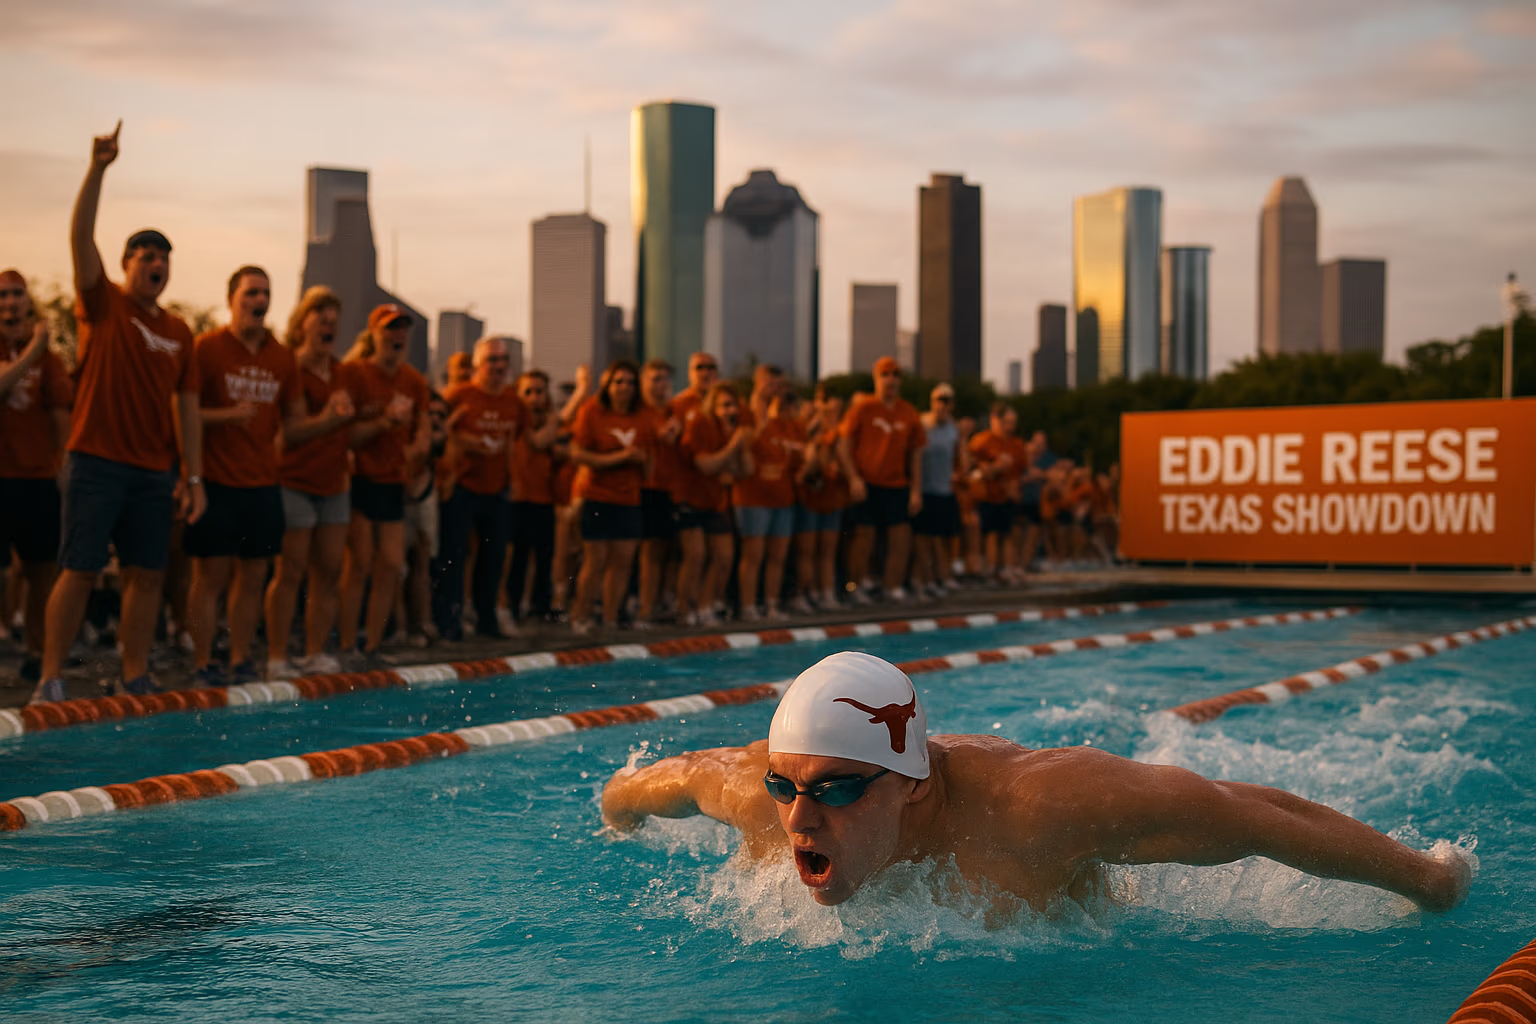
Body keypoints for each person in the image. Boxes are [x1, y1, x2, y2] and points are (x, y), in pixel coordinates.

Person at [602, 652, 1473, 915]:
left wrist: (1428, 880)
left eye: (834, 790)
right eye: (787, 787)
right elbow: (647, 787)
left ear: (910, 784)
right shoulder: (755, 795)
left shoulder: (1039, 809)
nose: (799, 814)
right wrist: (615, 812)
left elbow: (1250, 814)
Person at [34, 122, 206, 703]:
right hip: (96, 460)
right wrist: (99, 169)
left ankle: (135, 674)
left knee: (147, 574)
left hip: (153, 471)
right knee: (79, 568)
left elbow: (187, 407)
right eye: (145, 255)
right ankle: (50, 676)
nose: (155, 264)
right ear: (128, 263)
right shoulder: (102, 304)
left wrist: (192, 475)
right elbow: (81, 238)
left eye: (163, 258)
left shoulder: (179, 330)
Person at [182, 267, 307, 686]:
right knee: (210, 576)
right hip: (216, 479)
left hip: (262, 481)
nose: (260, 300)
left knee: (254, 576)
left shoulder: (281, 356)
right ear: (231, 297)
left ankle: (240, 657)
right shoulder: (207, 348)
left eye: (266, 293)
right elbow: (184, 414)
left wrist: (338, 421)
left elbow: (294, 422)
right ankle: (202, 662)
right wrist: (227, 416)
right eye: (251, 292)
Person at [263, 286, 356, 679]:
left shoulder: (342, 372)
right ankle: (278, 656)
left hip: (334, 482)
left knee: (329, 570)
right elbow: (292, 431)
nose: (329, 326)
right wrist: (333, 419)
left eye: (334, 321)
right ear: (303, 323)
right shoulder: (289, 368)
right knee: (291, 569)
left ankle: (315, 651)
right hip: (294, 480)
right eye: (321, 319)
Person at [337, 304, 431, 667]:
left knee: (391, 563)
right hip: (360, 477)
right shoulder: (354, 373)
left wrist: (420, 445)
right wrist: (385, 421)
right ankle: (348, 646)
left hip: (393, 480)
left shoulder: (413, 380)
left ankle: (373, 645)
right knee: (358, 563)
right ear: (374, 334)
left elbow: (422, 424)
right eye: (390, 328)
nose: (398, 335)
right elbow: (345, 436)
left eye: (403, 328)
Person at [0, 273, 72, 685]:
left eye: (17, 296)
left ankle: (36, 652)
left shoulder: (52, 361)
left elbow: (61, 414)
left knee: (41, 571)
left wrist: (64, 471)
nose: (10, 303)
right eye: (3, 296)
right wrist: (32, 351)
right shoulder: (37, 353)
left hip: (37, 477)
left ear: (28, 303)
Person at [437, 336, 527, 640]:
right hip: (462, 485)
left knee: (495, 557)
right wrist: (462, 441)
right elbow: (435, 432)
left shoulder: (513, 401)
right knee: (456, 555)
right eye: (492, 360)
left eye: (503, 360)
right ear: (477, 364)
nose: (499, 366)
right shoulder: (459, 395)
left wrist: (514, 480)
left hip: (497, 488)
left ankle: (487, 620)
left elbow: (517, 440)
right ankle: (450, 622)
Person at [568, 361, 652, 634]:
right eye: (618, 382)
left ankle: (610, 618)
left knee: (623, 561)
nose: (624, 387)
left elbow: (650, 457)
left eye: (629, 382)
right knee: (595, 560)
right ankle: (580, 617)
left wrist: (641, 462)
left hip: (629, 497)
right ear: (608, 385)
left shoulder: (642, 415)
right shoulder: (592, 410)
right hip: (597, 494)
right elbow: (578, 454)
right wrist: (620, 457)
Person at [838, 356, 925, 604]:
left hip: (896, 485)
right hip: (867, 483)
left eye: (895, 374)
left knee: (900, 537)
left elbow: (916, 454)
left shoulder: (908, 412)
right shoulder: (863, 409)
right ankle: (855, 586)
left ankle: (892, 586)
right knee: (863, 538)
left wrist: (916, 490)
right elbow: (843, 445)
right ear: (876, 379)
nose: (891, 379)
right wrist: (853, 478)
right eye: (885, 374)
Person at [674, 382, 752, 627]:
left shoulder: (732, 430)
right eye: (725, 405)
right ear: (713, 406)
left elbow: (747, 470)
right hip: (690, 496)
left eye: (734, 405)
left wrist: (740, 444)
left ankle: (705, 605)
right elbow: (706, 465)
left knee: (724, 557)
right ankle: (685, 610)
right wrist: (733, 447)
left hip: (715, 500)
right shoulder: (700, 425)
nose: (730, 410)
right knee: (696, 556)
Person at [733, 388, 803, 622]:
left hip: (782, 498)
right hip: (753, 499)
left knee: (778, 556)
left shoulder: (785, 427)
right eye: (761, 401)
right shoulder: (746, 426)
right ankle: (748, 606)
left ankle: (771, 604)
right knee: (753, 555)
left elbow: (798, 458)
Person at [507, 370, 561, 624]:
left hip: (544, 498)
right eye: (528, 392)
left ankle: (540, 607)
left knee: (544, 557)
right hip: (517, 498)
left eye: (539, 391)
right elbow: (538, 442)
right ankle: (513, 606)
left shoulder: (551, 422)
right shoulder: (516, 421)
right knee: (517, 557)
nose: (534, 397)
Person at [636, 359, 682, 629]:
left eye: (665, 378)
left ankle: (655, 604)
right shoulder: (641, 412)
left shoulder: (672, 410)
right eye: (655, 378)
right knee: (649, 553)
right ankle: (644, 609)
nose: (661, 384)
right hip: (645, 488)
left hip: (667, 489)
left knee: (666, 551)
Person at [792, 388, 847, 613]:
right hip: (811, 497)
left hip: (831, 498)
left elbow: (842, 466)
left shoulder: (838, 435)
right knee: (807, 550)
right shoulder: (808, 430)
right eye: (828, 410)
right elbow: (806, 468)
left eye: (836, 411)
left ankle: (826, 592)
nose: (831, 415)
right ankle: (806, 592)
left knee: (827, 550)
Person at [911, 383, 965, 597]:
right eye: (938, 401)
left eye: (946, 401)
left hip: (944, 490)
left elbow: (962, 459)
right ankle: (925, 579)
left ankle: (943, 576)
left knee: (943, 539)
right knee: (923, 539)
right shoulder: (921, 424)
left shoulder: (953, 430)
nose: (942, 405)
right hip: (924, 490)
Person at [968, 403, 1028, 584]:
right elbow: (973, 470)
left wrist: (1015, 487)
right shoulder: (982, 441)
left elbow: (1020, 471)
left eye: (1013, 422)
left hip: (1007, 496)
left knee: (1007, 533)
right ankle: (989, 568)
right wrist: (995, 468)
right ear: (995, 420)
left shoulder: (1016, 444)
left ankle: (1004, 568)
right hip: (986, 495)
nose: (1010, 426)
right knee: (989, 534)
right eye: (1006, 422)